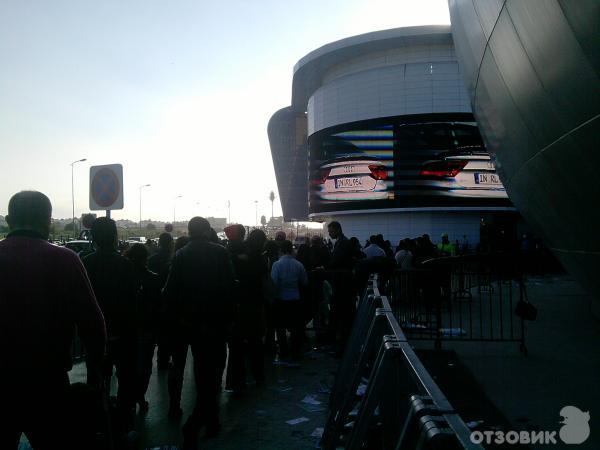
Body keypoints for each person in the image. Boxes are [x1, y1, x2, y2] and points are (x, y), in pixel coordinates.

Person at [0, 191, 106, 449]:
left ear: (9, 219)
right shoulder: (65, 259)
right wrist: (98, 372)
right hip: (48, 383)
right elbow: (93, 324)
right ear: (47, 220)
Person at [163, 217, 235, 447]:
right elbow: (230, 289)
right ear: (205, 230)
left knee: (204, 375)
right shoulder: (220, 252)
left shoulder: (181, 255)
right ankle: (195, 423)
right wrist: (230, 319)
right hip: (215, 324)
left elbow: (169, 293)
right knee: (211, 376)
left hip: (190, 325)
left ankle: (211, 422)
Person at [83, 217, 138, 438]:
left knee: (96, 381)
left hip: (95, 334)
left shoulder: (85, 263)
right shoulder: (125, 265)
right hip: (123, 334)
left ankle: (98, 423)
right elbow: (133, 302)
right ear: (115, 236)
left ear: (92, 237)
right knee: (126, 380)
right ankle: (124, 424)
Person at [227, 229, 268, 392]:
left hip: (238, 305)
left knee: (237, 347)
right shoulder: (260, 258)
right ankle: (258, 376)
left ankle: (237, 382)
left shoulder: (237, 254)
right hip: (255, 305)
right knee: (255, 343)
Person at [124, 243, 161, 411]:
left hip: (127, 326)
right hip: (147, 327)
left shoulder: (124, 276)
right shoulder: (152, 278)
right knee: (145, 365)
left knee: (128, 366)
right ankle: (140, 395)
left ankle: (127, 400)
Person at [271, 240, 308, 361]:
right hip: (295, 298)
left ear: (280, 250)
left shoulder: (276, 265)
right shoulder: (299, 264)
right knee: (294, 327)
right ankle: (295, 351)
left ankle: (283, 350)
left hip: (280, 299)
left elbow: (273, 283)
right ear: (292, 250)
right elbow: (305, 282)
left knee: (280, 326)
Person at [148, 232, 175, 370]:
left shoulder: (152, 259)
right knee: (166, 335)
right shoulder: (173, 259)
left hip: (153, 301)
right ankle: (163, 361)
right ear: (170, 243)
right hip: (169, 302)